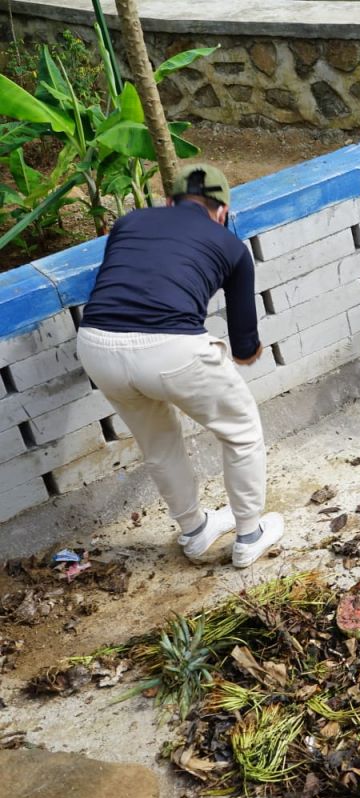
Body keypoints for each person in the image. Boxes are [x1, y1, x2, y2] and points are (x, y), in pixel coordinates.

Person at [76, 163, 284, 569]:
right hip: (172, 349)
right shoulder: (230, 246)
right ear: (222, 210)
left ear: (168, 200)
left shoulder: (128, 222)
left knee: (158, 443)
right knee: (240, 431)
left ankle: (194, 530)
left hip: (97, 344)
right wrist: (247, 352)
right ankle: (248, 536)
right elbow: (243, 345)